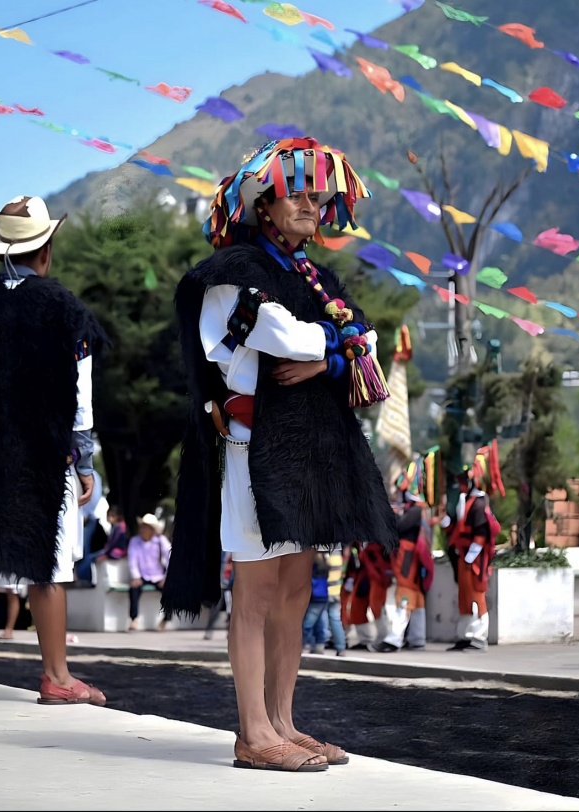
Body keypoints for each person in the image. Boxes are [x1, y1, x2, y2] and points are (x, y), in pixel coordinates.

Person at [162, 136, 398, 772]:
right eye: (299, 194)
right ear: (263, 203)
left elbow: (368, 344)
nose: (312, 206)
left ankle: (284, 721)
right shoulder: (232, 273)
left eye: (319, 198)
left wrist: (325, 355)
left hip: (303, 453)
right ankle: (252, 731)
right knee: (259, 588)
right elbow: (277, 334)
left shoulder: (316, 278)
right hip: (251, 447)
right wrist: (333, 348)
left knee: (296, 586)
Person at [0, 195, 108, 705]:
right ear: (45, 250)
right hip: (42, 455)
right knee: (47, 564)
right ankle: (56, 676)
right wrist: (86, 460)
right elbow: (80, 394)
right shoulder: (64, 310)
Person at [371, 489, 435, 653]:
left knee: (404, 595)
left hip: (408, 557)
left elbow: (399, 526)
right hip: (412, 557)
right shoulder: (419, 510)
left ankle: (394, 639)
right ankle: (417, 638)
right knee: (417, 598)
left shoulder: (415, 510)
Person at [443, 468, 494, 651]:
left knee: (477, 596)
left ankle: (479, 638)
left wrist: (470, 557)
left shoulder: (479, 503)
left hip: (474, 559)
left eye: (464, 482)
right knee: (464, 598)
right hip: (463, 557)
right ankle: (465, 635)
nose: (461, 486)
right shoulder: (465, 502)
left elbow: (481, 534)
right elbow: (458, 527)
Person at [127, 513, 171, 631]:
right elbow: (133, 560)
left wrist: (167, 576)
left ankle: (165, 620)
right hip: (142, 576)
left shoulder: (161, 541)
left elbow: (171, 558)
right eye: (142, 526)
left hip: (158, 576)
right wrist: (135, 576)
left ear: (152, 529)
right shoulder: (134, 541)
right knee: (134, 589)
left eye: (146, 527)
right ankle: (133, 619)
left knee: (170, 591)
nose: (143, 529)